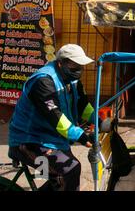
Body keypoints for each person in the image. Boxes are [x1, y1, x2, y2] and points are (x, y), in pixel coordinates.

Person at [8, 44, 107, 191]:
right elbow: (56, 117)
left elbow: (83, 106)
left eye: (80, 65)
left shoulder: (72, 81)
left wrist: (101, 122)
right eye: (74, 65)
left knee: (67, 176)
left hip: (52, 139)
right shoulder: (43, 81)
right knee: (70, 170)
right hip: (29, 141)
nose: (79, 69)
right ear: (61, 63)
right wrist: (82, 136)